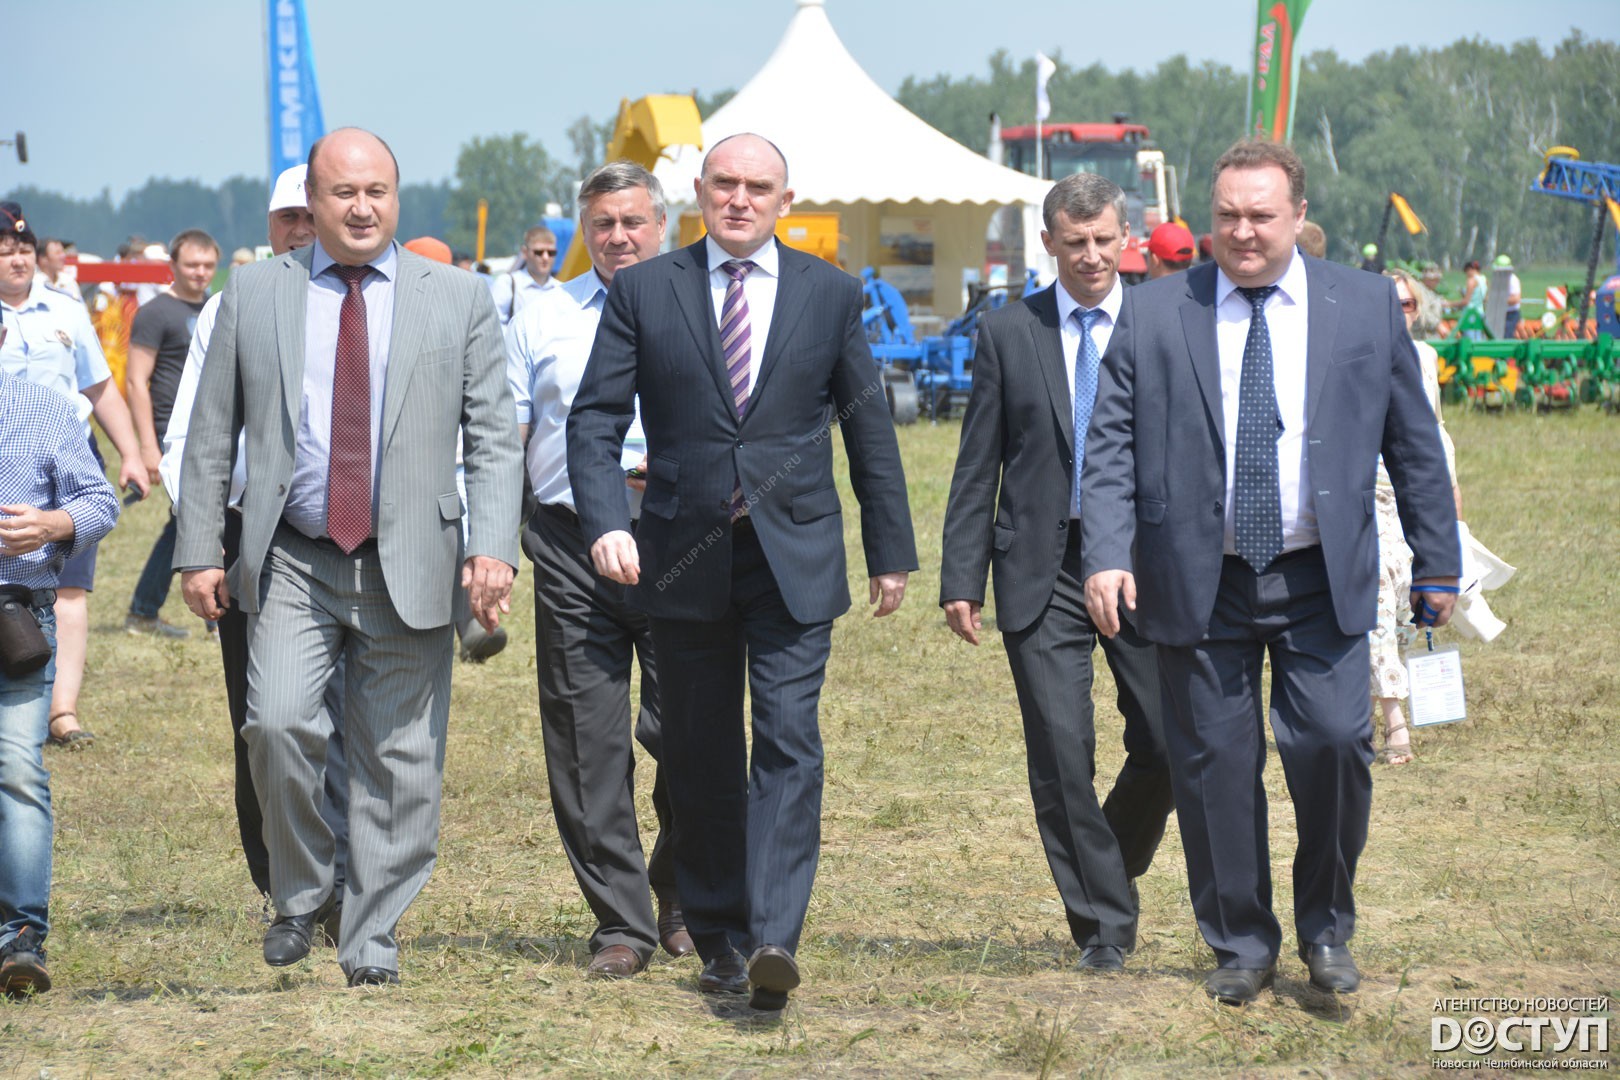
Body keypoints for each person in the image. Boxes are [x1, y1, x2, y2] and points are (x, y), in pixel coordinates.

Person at [1080, 139, 1461, 1005]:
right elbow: (1108, 445)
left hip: (1320, 576)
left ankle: (1327, 927)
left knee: (1333, 745)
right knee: (1213, 764)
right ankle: (1241, 944)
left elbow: (1414, 445)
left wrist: (1438, 564)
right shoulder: (1155, 310)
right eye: (1228, 216)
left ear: (1298, 216)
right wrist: (1105, 552)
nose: (1243, 232)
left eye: (1261, 215)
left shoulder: (1366, 305)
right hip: (1195, 579)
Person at [567, 132, 917, 1011]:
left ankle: (773, 936)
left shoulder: (830, 294)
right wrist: (606, 522)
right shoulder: (646, 290)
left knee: (790, 741)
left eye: (758, 187)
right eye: (725, 183)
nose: (739, 199)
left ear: (784, 202)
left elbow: (867, 427)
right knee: (701, 750)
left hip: (793, 557)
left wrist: (891, 550)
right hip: (682, 557)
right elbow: (594, 420)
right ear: (699, 191)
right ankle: (720, 937)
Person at [176, 127, 523, 987]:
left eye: (377, 192)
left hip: (412, 554)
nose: (362, 209)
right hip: (293, 555)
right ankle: (302, 891)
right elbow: (213, 431)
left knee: (400, 764)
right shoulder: (257, 292)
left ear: (395, 197)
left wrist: (493, 547)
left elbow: (493, 436)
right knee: (277, 724)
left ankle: (371, 941)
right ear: (312, 202)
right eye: (343, 193)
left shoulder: (459, 297)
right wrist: (198, 550)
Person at [940, 172, 1173, 973]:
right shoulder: (1010, 331)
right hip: (1041, 566)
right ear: (1048, 243)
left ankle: (1108, 858)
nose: (1092, 255)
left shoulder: (1162, 322)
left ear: (1125, 237)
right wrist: (961, 576)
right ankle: (1103, 925)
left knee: (1168, 739)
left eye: (1104, 239)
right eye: (1075, 243)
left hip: (1143, 565)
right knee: (1061, 751)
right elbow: (979, 461)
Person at [508, 161, 691, 979]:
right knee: (587, 739)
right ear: (584, 230)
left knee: (688, 728)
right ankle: (622, 920)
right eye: (603, 224)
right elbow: (505, 435)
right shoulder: (540, 316)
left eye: (633, 222)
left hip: (680, 539)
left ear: (663, 225)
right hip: (570, 540)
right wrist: (489, 543)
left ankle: (680, 894)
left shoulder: (703, 306)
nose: (618, 237)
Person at [159, 164, 349, 905]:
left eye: (311, 215)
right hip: (251, 535)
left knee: (349, 709)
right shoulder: (233, 305)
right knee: (261, 712)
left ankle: (348, 871)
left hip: (353, 530)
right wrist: (202, 541)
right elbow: (190, 436)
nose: (301, 230)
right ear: (269, 227)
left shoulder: (369, 299)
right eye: (287, 219)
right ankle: (279, 876)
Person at [0, 201, 149, 751]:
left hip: (68, 463)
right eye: (5, 251)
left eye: (24, 250)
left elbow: (98, 386)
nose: (17, 260)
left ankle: (61, 708)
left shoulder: (65, 310)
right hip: (9, 470)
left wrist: (131, 452)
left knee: (68, 590)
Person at [0, 370, 120, 997]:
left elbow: (100, 501)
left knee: (18, 766)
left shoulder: (43, 407)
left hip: (16, 620)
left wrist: (52, 524)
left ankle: (21, 937)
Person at [1370, 268, 1460, 767]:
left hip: (1416, 502)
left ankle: (1368, 705)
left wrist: (1452, 513)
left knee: (1407, 607)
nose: (1399, 312)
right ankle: (1394, 721)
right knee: (1378, 607)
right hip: (1370, 498)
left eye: (1406, 304)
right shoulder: (1359, 353)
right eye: (1390, 303)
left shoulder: (1426, 357)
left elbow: (1434, 432)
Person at [125, 228, 220, 639]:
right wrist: (148, 445)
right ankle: (212, 616)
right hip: (172, 430)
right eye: (192, 265)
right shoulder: (156, 313)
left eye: (208, 265)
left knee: (187, 521)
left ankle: (147, 610)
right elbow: (135, 380)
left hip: (211, 427)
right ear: (173, 266)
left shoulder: (217, 307)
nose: (200, 273)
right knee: (193, 519)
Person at [492, 225, 558, 325]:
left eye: (551, 253)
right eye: (539, 252)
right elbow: (494, 325)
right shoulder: (507, 284)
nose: (545, 257)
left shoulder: (561, 288)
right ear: (525, 252)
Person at [1495, 254, 1522, 337]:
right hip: (1500, 313)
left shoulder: (1512, 280)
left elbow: (1516, 299)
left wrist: (1499, 300)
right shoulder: (1499, 279)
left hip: (1510, 315)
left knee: (1506, 337)